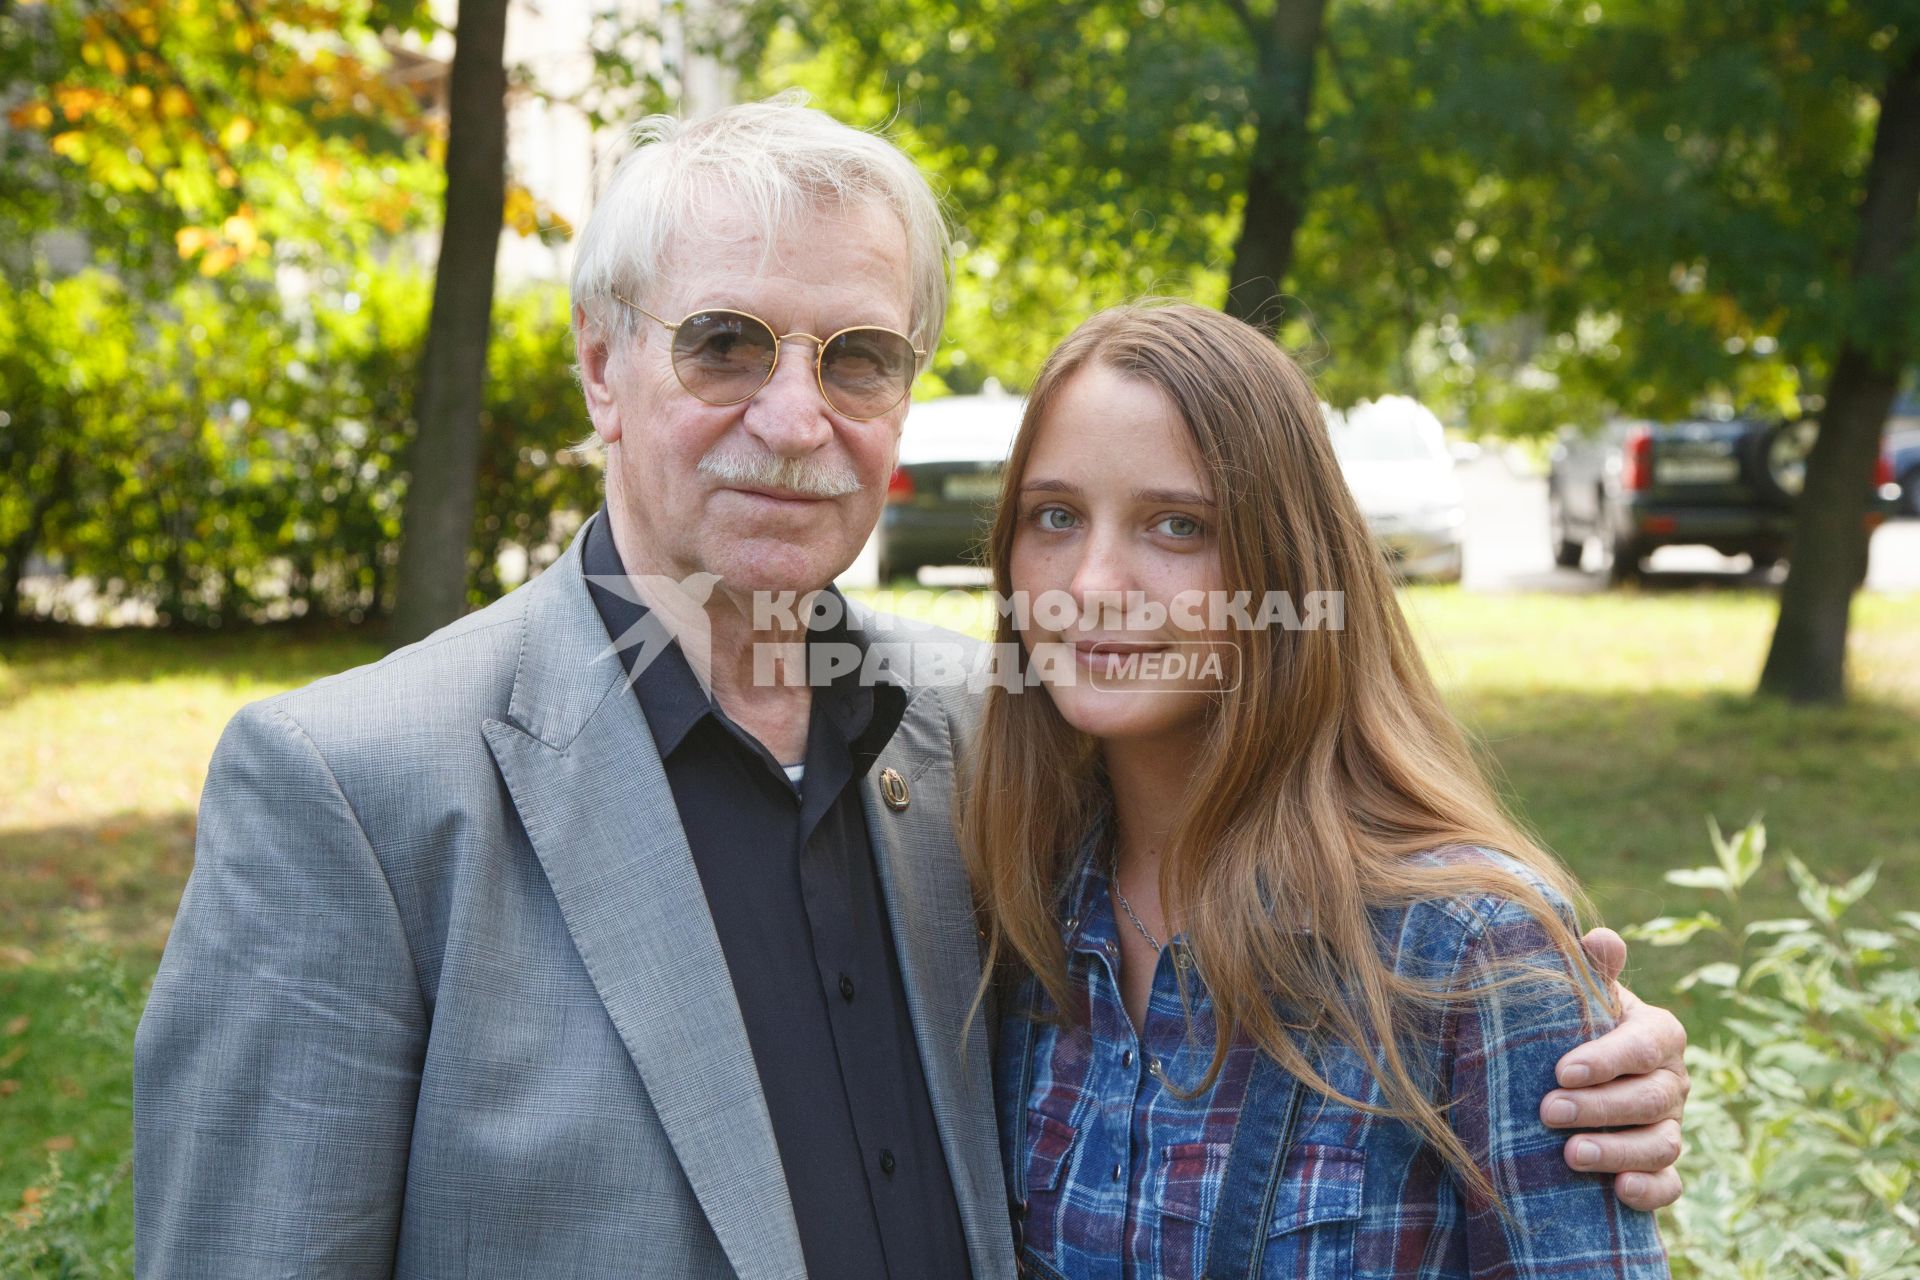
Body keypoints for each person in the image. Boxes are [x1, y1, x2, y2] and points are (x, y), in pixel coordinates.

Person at [133, 101, 1686, 1279]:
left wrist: (1573, 1040)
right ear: (602, 367)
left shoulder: (990, 748)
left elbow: (1320, 901)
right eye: (727, 344)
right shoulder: (355, 789)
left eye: (861, 358)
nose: (796, 418)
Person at [965, 302, 1674, 1278]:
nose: (1090, 582)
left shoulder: (1463, 947)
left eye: (1178, 524)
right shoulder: (1009, 904)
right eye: (1056, 515)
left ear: (1286, 562)